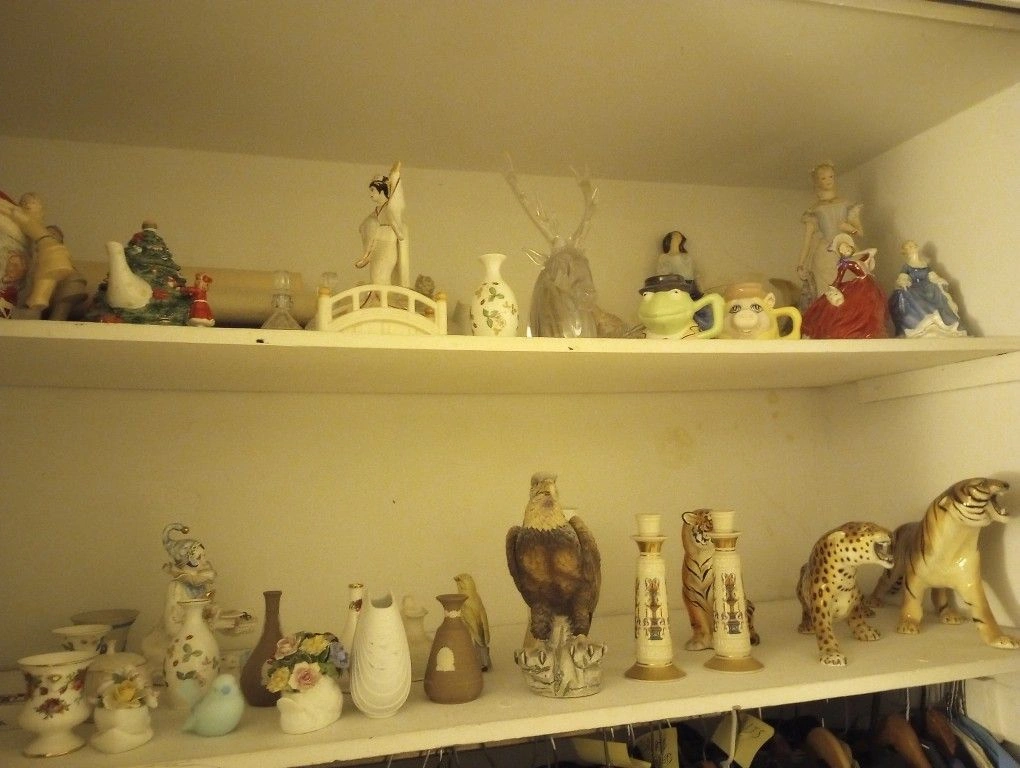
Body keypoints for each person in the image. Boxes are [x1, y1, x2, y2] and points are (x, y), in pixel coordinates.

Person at [796, 163, 863, 303]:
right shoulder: (814, 209)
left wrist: (849, 229)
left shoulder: (846, 203)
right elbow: (807, 240)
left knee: (854, 289)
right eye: (823, 178)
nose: (828, 180)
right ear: (817, 181)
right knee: (829, 293)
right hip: (825, 254)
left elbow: (860, 232)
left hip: (846, 248)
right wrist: (801, 264)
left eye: (831, 176)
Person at [888, 240, 966, 337]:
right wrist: (904, 282)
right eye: (910, 246)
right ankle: (923, 322)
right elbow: (902, 278)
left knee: (937, 289)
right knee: (907, 293)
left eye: (914, 245)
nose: (913, 247)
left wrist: (939, 280)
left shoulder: (924, 264)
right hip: (914, 287)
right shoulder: (907, 266)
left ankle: (942, 321)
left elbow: (932, 276)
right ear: (906, 251)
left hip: (927, 287)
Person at [354, 161, 409, 287]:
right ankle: (377, 298)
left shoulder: (390, 208)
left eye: (373, 190)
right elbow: (364, 226)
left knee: (380, 278)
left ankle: (383, 298)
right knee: (375, 279)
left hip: (387, 247)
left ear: (381, 190)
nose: (371, 194)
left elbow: (400, 234)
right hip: (376, 248)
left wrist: (395, 175)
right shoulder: (376, 212)